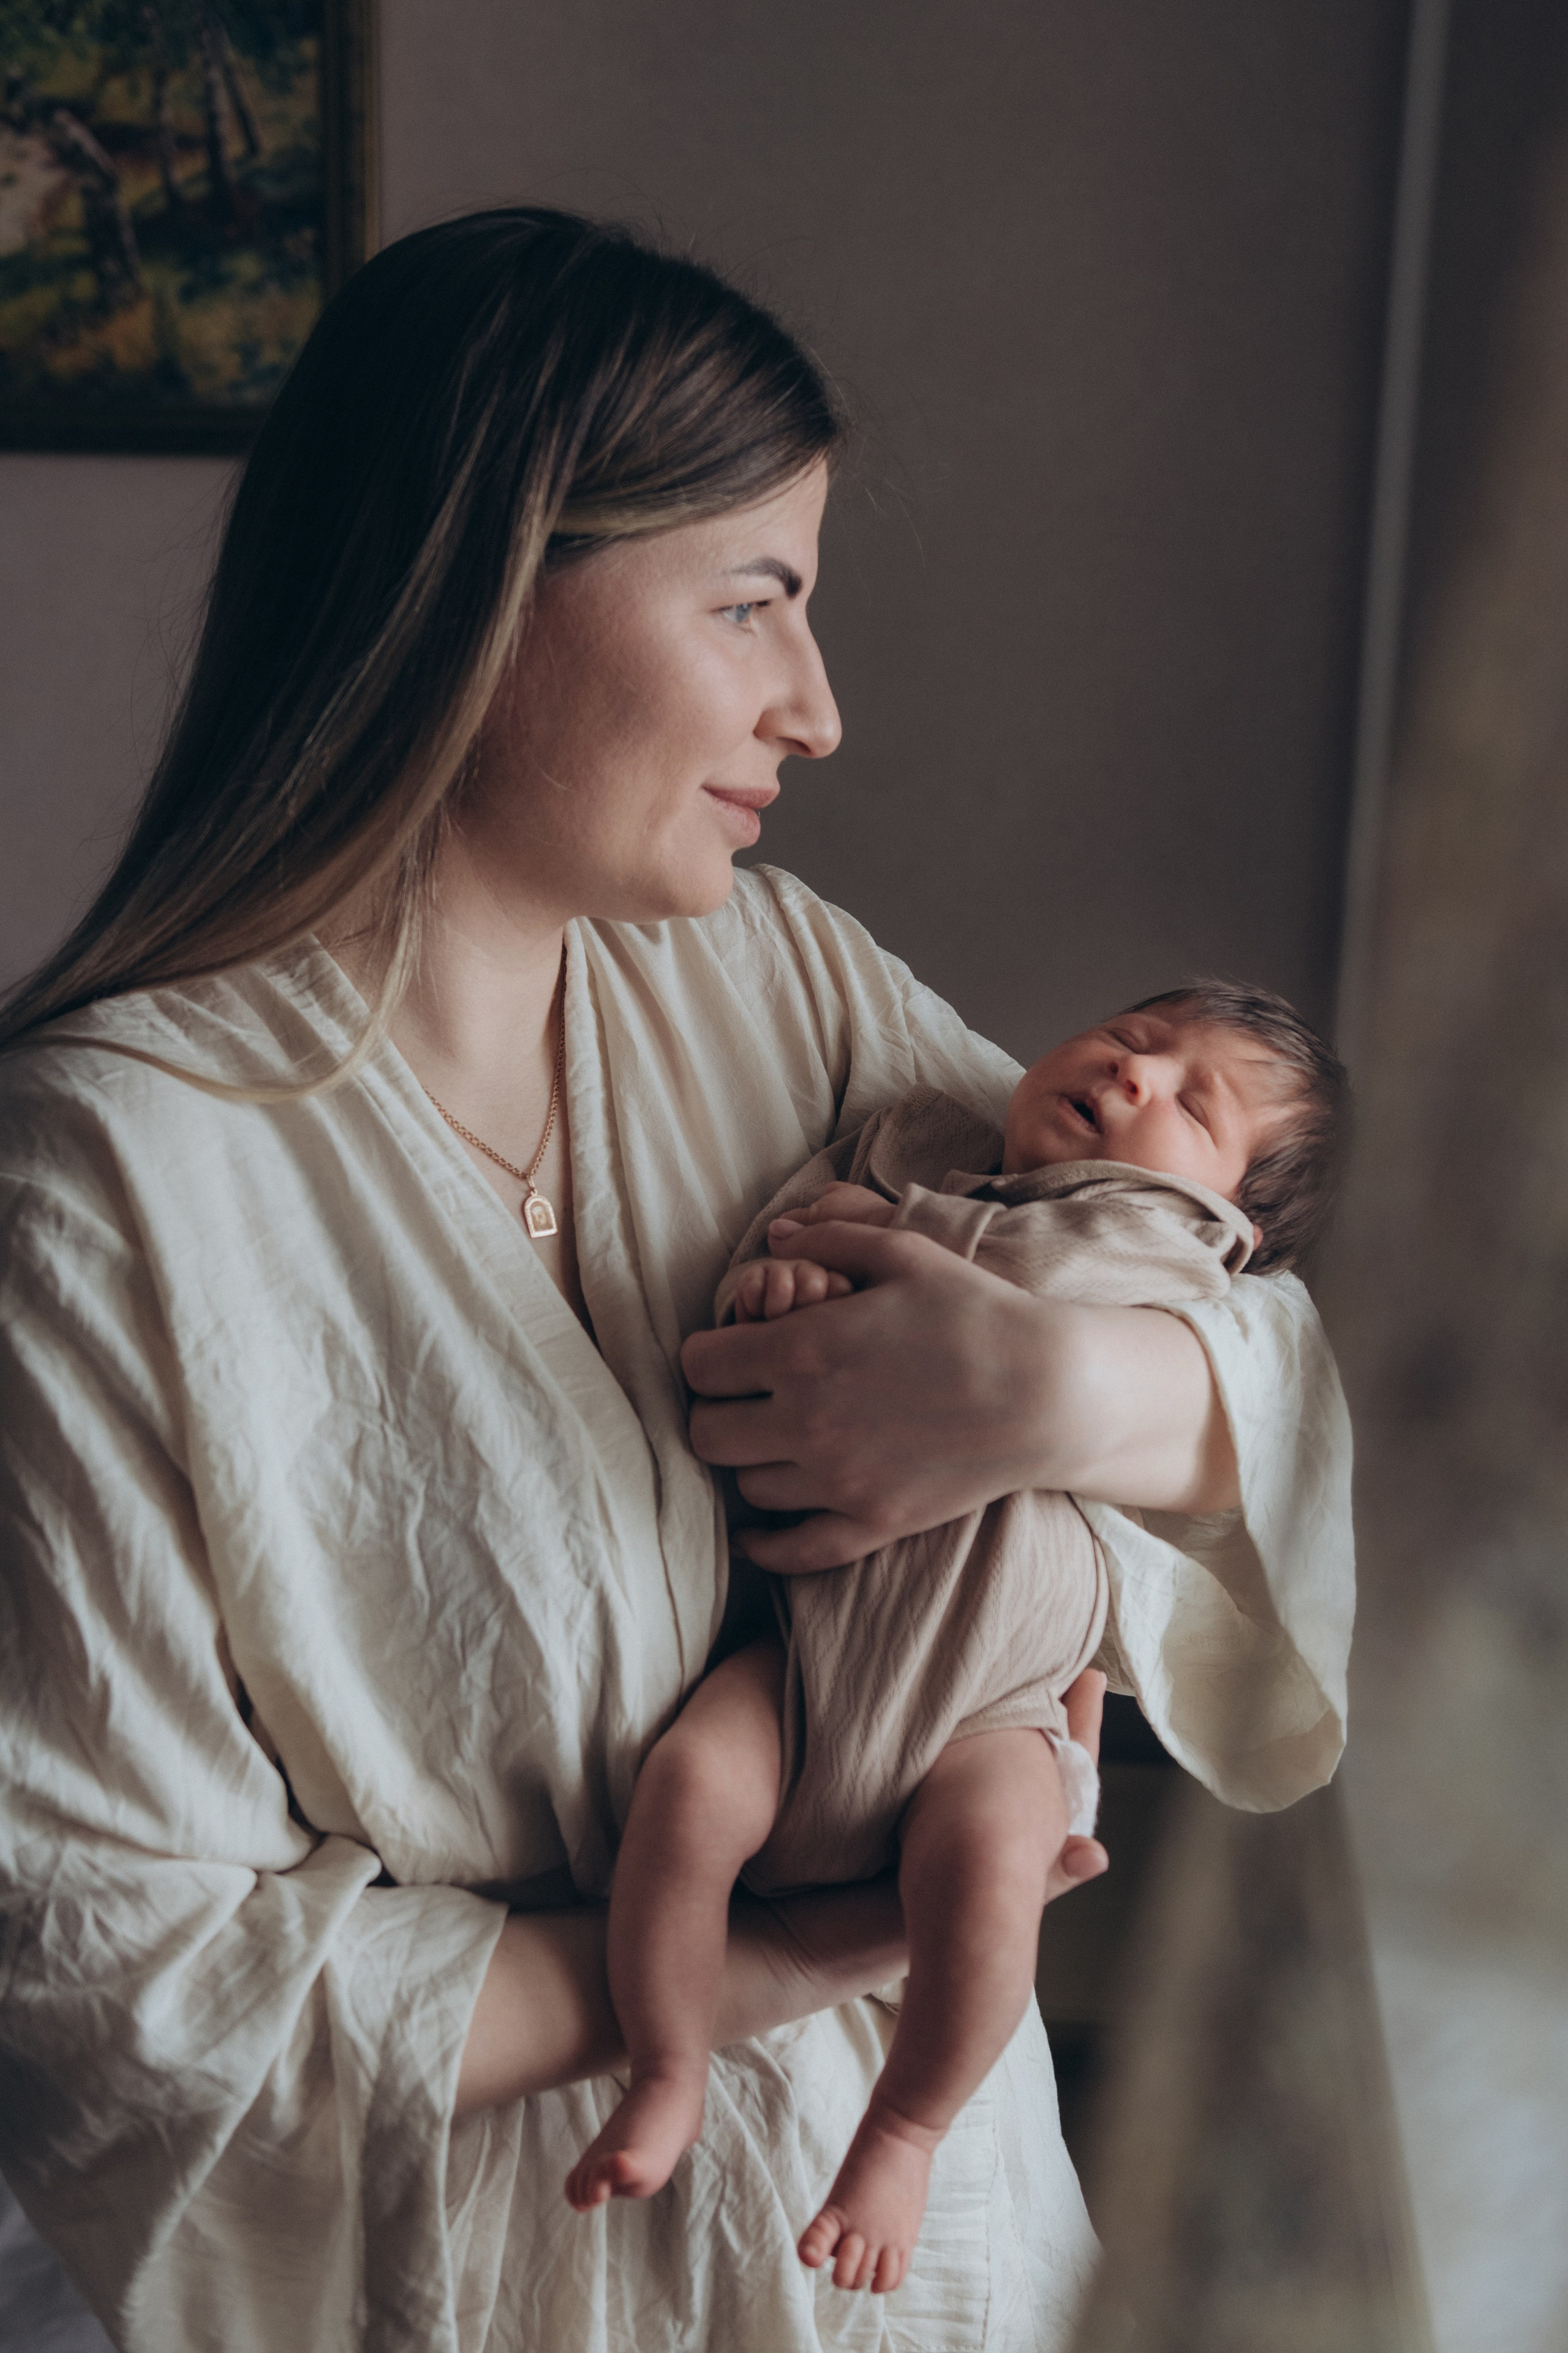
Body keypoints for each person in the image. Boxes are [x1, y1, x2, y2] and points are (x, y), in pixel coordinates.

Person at [0, 208, 1354, 2353]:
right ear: (480, 594)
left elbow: (1218, 1309)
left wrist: (1045, 1405)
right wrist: (772, 1960)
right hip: (523, 2282)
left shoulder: (770, 977)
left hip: (941, 2262)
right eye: (756, 605)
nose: (817, 708)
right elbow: (116, 1985)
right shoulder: (109, 1177)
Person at [566, 986, 1351, 2293]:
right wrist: (787, 1272)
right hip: (808, 1666)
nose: (1133, 1069)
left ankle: (904, 2128)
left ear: (1230, 1220)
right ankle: (663, 2065)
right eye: (1134, 1034)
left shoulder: (1162, 1254)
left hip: (989, 1710)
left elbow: (1112, 1326)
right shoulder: (917, 1146)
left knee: (995, 1872)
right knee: (689, 1787)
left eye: (1190, 1099)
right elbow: (789, 1234)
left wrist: (888, 1257)